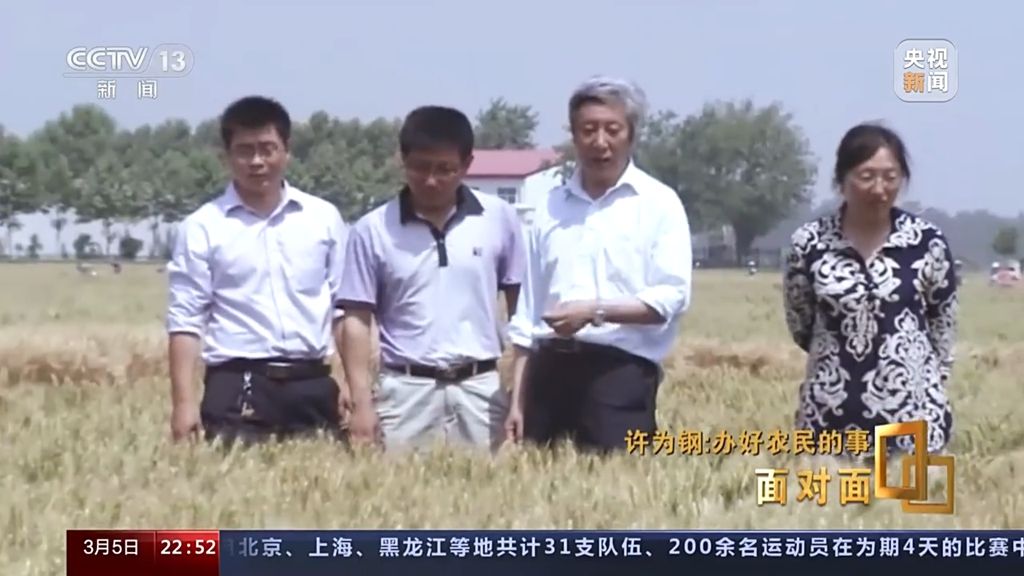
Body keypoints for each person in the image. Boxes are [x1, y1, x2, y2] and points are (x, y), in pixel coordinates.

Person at [504, 76, 693, 453]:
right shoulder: (550, 206)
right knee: (539, 481)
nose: (599, 141)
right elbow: (528, 314)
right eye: (588, 130)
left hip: (619, 376)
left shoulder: (659, 203)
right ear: (573, 136)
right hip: (547, 374)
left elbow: (671, 298)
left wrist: (595, 312)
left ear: (631, 135)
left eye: (612, 129)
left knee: (618, 481)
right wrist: (517, 401)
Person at [338, 105, 526, 452]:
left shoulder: (499, 219)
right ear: (402, 161)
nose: (431, 180)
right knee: (396, 485)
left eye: (445, 169)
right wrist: (361, 402)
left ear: (467, 165)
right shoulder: (372, 230)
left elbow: (522, 311)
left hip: (480, 391)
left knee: (490, 484)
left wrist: (520, 393)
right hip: (405, 392)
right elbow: (356, 321)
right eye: (420, 167)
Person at [166, 95, 349, 445]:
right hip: (237, 385)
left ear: (287, 151)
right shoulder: (202, 227)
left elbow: (344, 310)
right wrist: (184, 404)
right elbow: (185, 322)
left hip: (311, 384)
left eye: (267, 149)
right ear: (225, 156)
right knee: (233, 478)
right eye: (244, 151)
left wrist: (354, 385)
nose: (257, 161)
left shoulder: (323, 219)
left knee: (324, 477)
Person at [782, 122, 959, 455]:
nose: (879, 189)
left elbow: (942, 323)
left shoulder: (927, 242)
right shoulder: (809, 243)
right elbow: (801, 323)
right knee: (826, 491)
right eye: (866, 177)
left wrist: (921, 381)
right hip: (829, 418)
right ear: (841, 180)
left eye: (890, 177)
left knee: (918, 492)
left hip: (913, 421)